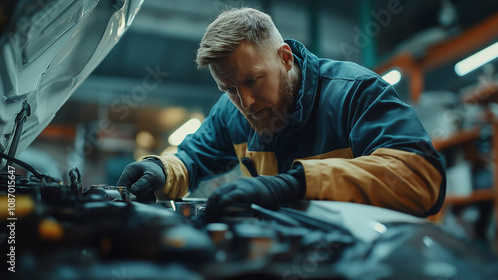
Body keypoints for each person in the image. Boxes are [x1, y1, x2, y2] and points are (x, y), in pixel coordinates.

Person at [117, 7, 446, 220]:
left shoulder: (355, 93)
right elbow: (192, 160)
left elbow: (422, 177)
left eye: (252, 80)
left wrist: (294, 184)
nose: (244, 102)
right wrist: (159, 169)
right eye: (229, 89)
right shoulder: (234, 114)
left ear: (285, 58)